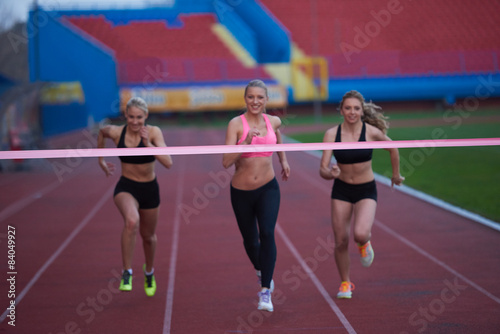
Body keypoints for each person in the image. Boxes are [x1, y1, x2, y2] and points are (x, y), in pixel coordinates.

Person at [319, 90, 404, 299]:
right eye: (347, 108)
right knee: (340, 240)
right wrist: (331, 173)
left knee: (360, 233)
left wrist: (396, 175)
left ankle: (364, 244)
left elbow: (393, 148)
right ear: (341, 110)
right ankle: (345, 283)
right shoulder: (332, 134)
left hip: (366, 189)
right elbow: (322, 170)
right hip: (341, 190)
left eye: (356, 108)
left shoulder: (371, 132)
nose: (352, 112)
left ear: (361, 110)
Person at [222, 79, 291, 312]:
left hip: (268, 188)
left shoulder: (274, 121)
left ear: (266, 100)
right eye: (251, 97)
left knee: (268, 232)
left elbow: (277, 133)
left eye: (260, 97)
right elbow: (225, 162)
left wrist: (283, 159)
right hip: (241, 192)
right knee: (251, 241)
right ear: (245, 99)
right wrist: (247, 142)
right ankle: (262, 271)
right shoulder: (235, 124)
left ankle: (265, 291)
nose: (255, 101)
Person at [97, 97, 173, 297]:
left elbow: (168, 162)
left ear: (146, 116)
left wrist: (148, 144)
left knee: (148, 237)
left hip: (149, 189)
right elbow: (102, 131)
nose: (135, 121)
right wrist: (100, 159)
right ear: (126, 116)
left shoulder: (154, 132)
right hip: (126, 186)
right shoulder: (116, 132)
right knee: (132, 221)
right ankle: (127, 272)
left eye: (139, 117)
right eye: (130, 117)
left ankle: (149, 272)